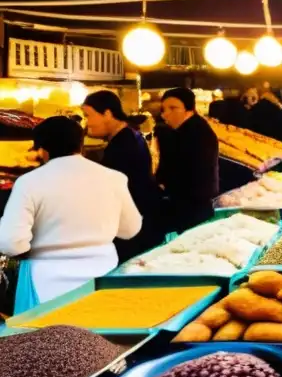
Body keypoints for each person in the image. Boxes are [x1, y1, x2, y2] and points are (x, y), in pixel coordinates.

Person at [0, 116, 142, 311]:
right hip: (101, 277)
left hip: (45, 283)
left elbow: (11, 243)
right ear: (80, 144)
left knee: (46, 339)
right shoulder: (113, 178)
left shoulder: (29, 182)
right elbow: (129, 229)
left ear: (43, 150)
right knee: (96, 339)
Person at [81, 91, 162, 263]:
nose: (88, 123)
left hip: (135, 229)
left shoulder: (124, 143)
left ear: (107, 113)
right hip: (141, 223)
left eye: (89, 115)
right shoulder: (128, 136)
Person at [156, 87, 220, 234]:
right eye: (164, 109)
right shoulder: (186, 129)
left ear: (189, 109)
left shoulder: (194, 131)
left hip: (193, 205)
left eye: (173, 108)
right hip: (194, 203)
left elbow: (178, 169)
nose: (166, 114)